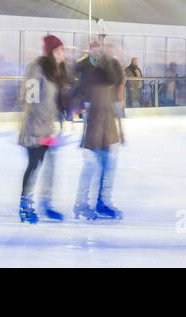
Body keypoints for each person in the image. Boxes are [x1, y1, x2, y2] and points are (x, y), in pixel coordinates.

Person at [19, 35, 70, 223]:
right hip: (34, 127)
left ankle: (46, 204)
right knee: (34, 165)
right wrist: (42, 127)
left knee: (50, 167)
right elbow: (30, 99)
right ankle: (25, 206)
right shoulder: (37, 68)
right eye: (58, 51)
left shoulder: (58, 72)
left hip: (48, 128)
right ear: (49, 53)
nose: (62, 54)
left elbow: (58, 99)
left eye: (62, 50)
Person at [73, 38, 125, 220]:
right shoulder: (89, 69)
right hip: (94, 118)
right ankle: (81, 203)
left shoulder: (110, 67)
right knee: (91, 164)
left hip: (108, 120)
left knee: (108, 164)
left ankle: (102, 202)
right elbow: (78, 88)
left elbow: (116, 80)